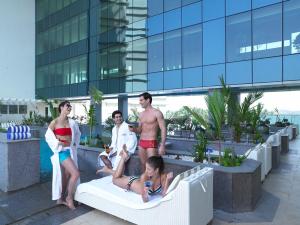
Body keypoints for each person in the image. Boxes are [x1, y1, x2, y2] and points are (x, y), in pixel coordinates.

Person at [45, 101, 80, 210]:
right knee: (75, 173)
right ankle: (69, 198)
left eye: (70, 106)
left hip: (70, 151)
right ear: (61, 108)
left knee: (66, 176)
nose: (70, 107)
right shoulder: (54, 122)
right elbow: (47, 136)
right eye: (67, 106)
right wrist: (57, 143)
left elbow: (78, 134)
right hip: (62, 152)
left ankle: (60, 199)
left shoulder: (72, 122)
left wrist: (75, 144)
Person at [129, 92, 166, 172]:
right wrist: (134, 129)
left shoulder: (157, 113)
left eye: (141, 100)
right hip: (142, 142)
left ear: (148, 100)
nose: (140, 102)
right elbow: (139, 130)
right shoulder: (141, 114)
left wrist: (162, 145)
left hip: (151, 142)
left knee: (152, 166)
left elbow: (163, 128)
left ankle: (154, 183)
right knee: (143, 164)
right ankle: (145, 182)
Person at [96, 110, 137, 175]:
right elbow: (113, 141)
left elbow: (133, 140)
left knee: (118, 165)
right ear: (113, 119)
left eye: (120, 117)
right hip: (114, 148)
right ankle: (111, 170)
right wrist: (109, 149)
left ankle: (114, 173)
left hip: (124, 150)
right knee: (102, 156)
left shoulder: (128, 126)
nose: (118, 118)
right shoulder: (114, 129)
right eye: (116, 117)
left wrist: (126, 150)